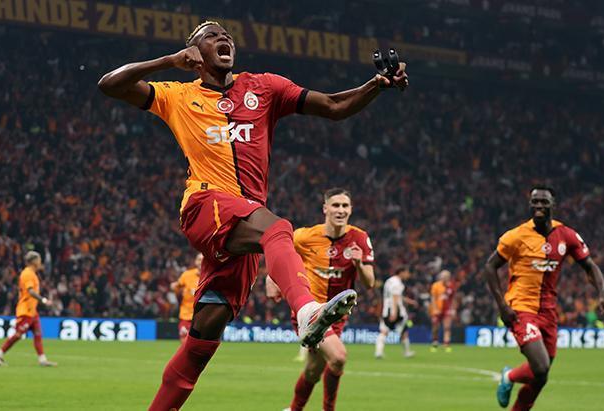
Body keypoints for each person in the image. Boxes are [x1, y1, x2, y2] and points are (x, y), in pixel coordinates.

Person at [98, 21, 407, 410]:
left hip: (243, 229)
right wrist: (168, 61)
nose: (224, 38)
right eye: (212, 35)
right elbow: (110, 84)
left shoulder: (264, 87)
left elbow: (333, 106)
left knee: (202, 342)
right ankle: (307, 311)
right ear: (194, 53)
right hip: (205, 205)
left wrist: (376, 85)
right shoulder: (177, 95)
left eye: (227, 35)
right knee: (279, 228)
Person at [483, 186, 604, 410]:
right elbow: (490, 266)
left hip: (548, 312)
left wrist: (603, 294)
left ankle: (510, 380)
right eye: (535, 201)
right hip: (521, 308)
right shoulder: (516, 236)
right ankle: (510, 376)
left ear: (553, 204)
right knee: (541, 367)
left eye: (544, 202)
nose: (539, 206)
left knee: (541, 378)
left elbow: (590, 266)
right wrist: (502, 306)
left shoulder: (566, 235)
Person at [268, 188, 375, 411]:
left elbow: (369, 283)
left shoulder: (359, 238)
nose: (340, 210)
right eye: (335, 205)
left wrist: (358, 264)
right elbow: (278, 251)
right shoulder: (305, 237)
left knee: (313, 371)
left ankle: (293, 409)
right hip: (311, 313)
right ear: (325, 208)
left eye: (345, 206)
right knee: (338, 358)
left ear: (351, 209)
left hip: (338, 316)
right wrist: (271, 278)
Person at [0, 251, 57, 367]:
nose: (40, 262)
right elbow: (30, 291)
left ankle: (42, 360)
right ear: (34, 261)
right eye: (39, 260)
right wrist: (43, 300)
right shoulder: (27, 274)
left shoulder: (32, 274)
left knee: (38, 334)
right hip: (25, 310)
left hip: (32, 311)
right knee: (18, 335)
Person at [375, 266, 416, 359]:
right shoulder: (397, 283)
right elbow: (395, 297)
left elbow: (396, 296)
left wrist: (409, 301)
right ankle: (406, 352)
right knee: (402, 331)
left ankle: (378, 352)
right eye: (407, 273)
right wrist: (394, 312)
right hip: (396, 310)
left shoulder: (389, 281)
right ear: (401, 272)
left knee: (385, 331)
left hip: (386, 309)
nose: (408, 275)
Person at [171, 253, 203, 343]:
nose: (201, 262)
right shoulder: (187, 275)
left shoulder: (210, 276)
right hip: (186, 315)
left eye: (203, 260)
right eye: (199, 259)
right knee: (184, 343)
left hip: (202, 317)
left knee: (199, 344)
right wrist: (174, 287)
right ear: (195, 261)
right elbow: (176, 286)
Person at [429, 269, 456, 353]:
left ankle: (446, 344)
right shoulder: (436, 285)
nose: (445, 278)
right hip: (437, 310)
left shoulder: (451, 286)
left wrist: (453, 309)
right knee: (435, 327)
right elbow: (433, 298)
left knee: (447, 327)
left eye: (446, 276)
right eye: (443, 276)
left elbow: (453, 299)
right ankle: (435, 342)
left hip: (447, 310)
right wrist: (435, 309)